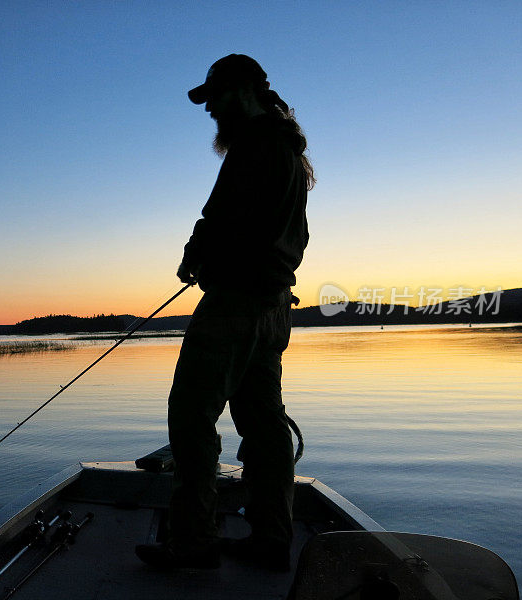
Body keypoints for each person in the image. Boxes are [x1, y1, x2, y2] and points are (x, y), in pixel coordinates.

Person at [135, 54, 314, 571]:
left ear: (243, 91)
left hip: (236, 306)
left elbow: (222, 222)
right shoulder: (288, 150)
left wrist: (197, 259)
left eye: (214, 97)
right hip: (273, 308)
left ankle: (192, 543)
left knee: (191, 418)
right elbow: (270, 230)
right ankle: (271, 539)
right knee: (263, 424)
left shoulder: (254, 143)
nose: (210, 108)